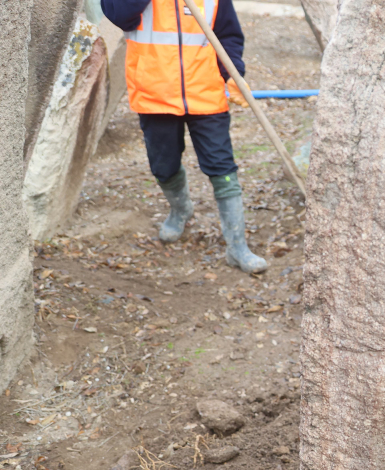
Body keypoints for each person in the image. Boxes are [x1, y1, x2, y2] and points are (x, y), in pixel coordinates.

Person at [101, 0, 267, 273]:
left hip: (206, 92)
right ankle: (181, 209)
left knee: (222, 166)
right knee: (163, 166)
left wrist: (233, 73)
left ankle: (237, 248)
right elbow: (119, 14)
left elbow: (228, 34)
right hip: (155, 94)